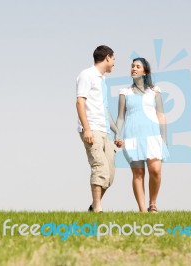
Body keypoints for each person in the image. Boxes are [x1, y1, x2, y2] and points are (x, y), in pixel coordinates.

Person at [115, 57, 170, 213]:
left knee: (155, 170)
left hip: (153, 136)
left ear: (145, 71)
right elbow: (120, 117)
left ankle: (152, 203)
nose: (134, 68)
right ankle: (142, 210)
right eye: (132, 66)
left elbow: (161, 115)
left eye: (137, 66)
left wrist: (164, 138)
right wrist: (117, 134)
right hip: (132, 136)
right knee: (138, 173)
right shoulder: (124, 92)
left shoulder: (154, 91)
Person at [76, 45, 118, 213]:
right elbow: (80, 102)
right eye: (114, 59)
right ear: (107, 57)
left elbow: (104, 108)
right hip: (91, 128)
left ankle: (93, 206)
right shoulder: (87, 75)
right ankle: (98, 209)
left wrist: (116, 132)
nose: (114, 63)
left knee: (109, 174)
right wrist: (87, 129)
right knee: (99, 167)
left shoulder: (103, 80)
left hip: (104, 130)